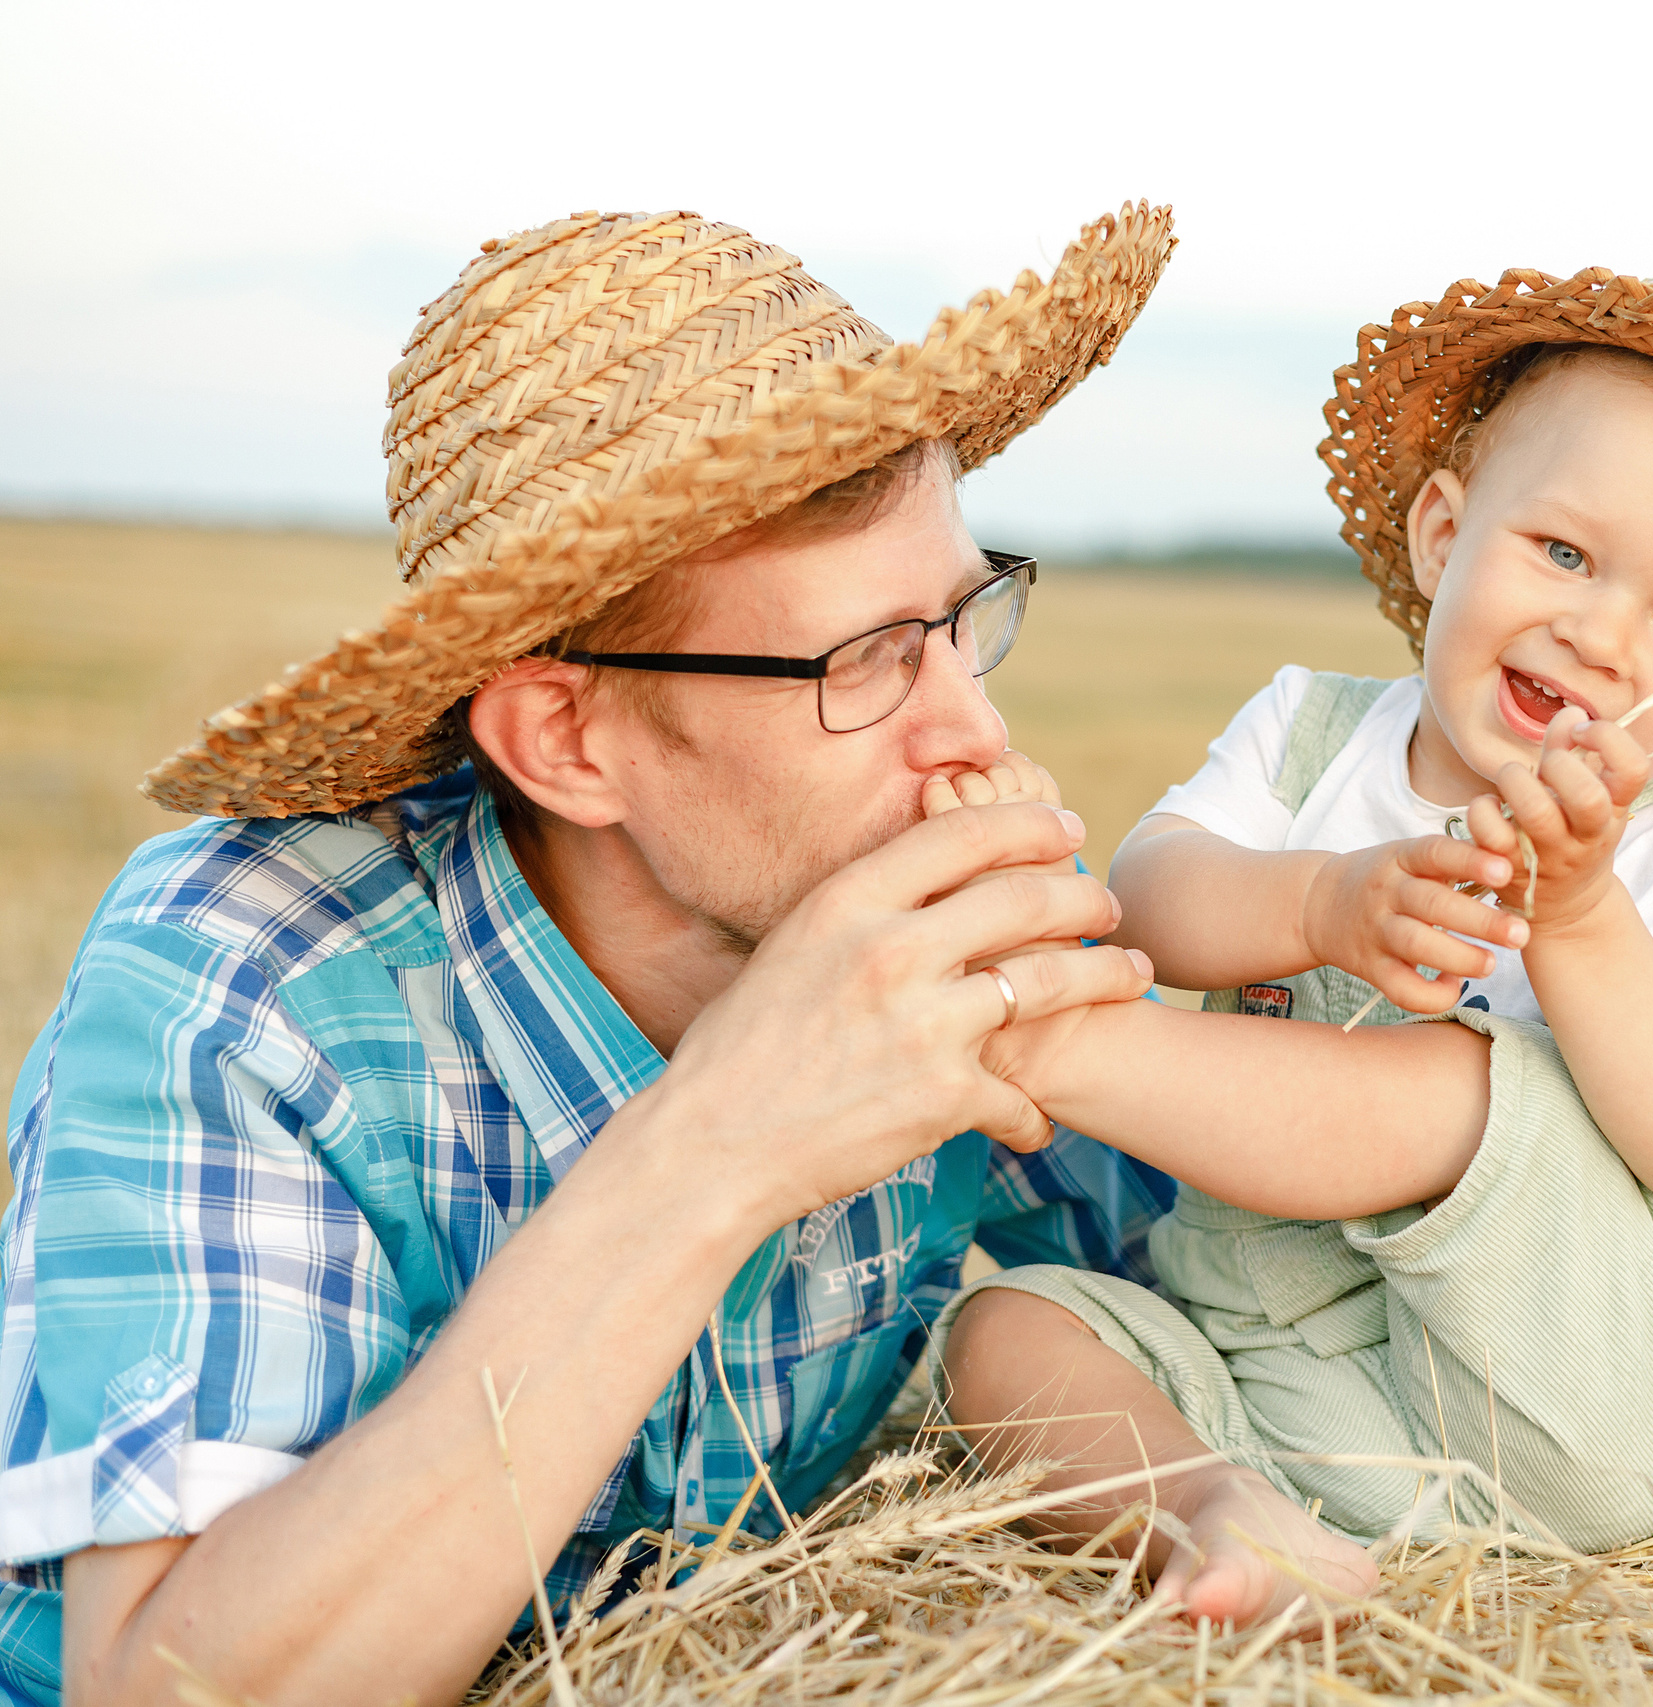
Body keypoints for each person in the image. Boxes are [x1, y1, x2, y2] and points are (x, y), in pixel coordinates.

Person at [0, 205, 1205, 1707]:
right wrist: (725, 1146)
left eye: (967, 621)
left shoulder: (922, 895)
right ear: (566, 740)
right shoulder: (247, 986)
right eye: (869, 659)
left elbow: (1249, 1295)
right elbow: (168, 1686)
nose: (974, 729)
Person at [935, 267, 1653, 1622]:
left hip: (1565, 1396)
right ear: (1441, 532)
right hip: (1278, 1363)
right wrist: (1318, 905)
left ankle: (1049, 1045)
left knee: (1464, 1086)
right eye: (1566, 555)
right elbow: (1155, 891)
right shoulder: (1309, 733)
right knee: (1001, 1336)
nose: (1599, 636)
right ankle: (1215, 1511)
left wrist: (1579, 917)